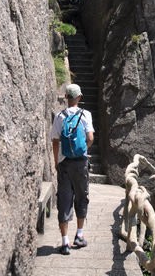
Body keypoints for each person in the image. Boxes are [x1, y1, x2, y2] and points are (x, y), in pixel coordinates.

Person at [51, 83, 94, 255]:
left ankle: (65, 242)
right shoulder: (86, 115)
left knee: (64, 200)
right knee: (82, 197)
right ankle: (80, 235)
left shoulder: (59, 116)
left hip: (64, 163)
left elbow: (55, 141)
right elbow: (90, 137)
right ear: (79, 97)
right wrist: (84, 149)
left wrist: (56, 162)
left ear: (66, 98)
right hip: (81, 163)